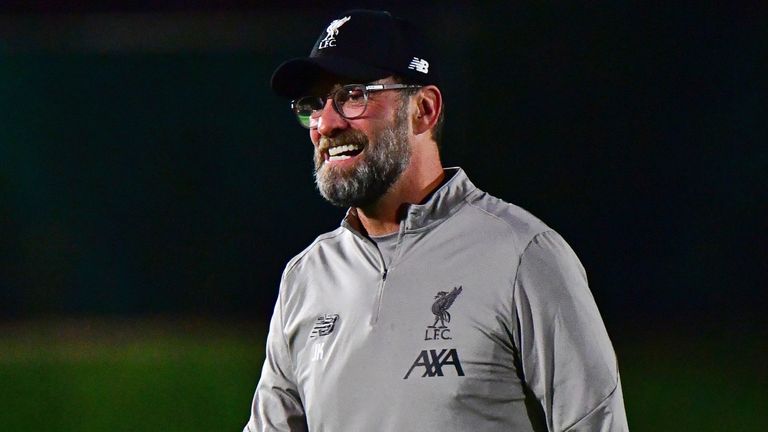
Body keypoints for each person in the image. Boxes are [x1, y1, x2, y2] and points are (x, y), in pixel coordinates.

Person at [244, 9, 628, 432]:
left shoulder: (523, 255)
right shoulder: (305, 278)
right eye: (314, 104)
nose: (326, 123)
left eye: (353, 95)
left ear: (423, 109)